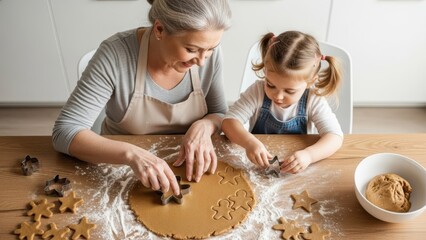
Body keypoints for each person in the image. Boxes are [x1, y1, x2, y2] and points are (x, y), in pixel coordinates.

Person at [52, 0, 232, 195]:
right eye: (191, 49)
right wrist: (131, 154)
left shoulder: (208, 54)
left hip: (188, 167)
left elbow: (219, 113)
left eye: (212, 49)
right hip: (121, 171)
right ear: (160, 29)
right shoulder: (114, 55)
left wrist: (204, 126)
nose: (202, 61)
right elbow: (65, 131)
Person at [222, 31, 343, 174]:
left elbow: (334, 137)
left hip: (298, 170)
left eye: (290, 91)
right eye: (271, 85)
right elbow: (229, 122)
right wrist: (249, 143)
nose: (278, 96)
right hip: (256, 168)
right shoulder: (257, 92)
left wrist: (309, 155)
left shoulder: (313, 100)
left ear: (311, 81)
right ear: (265, 71)